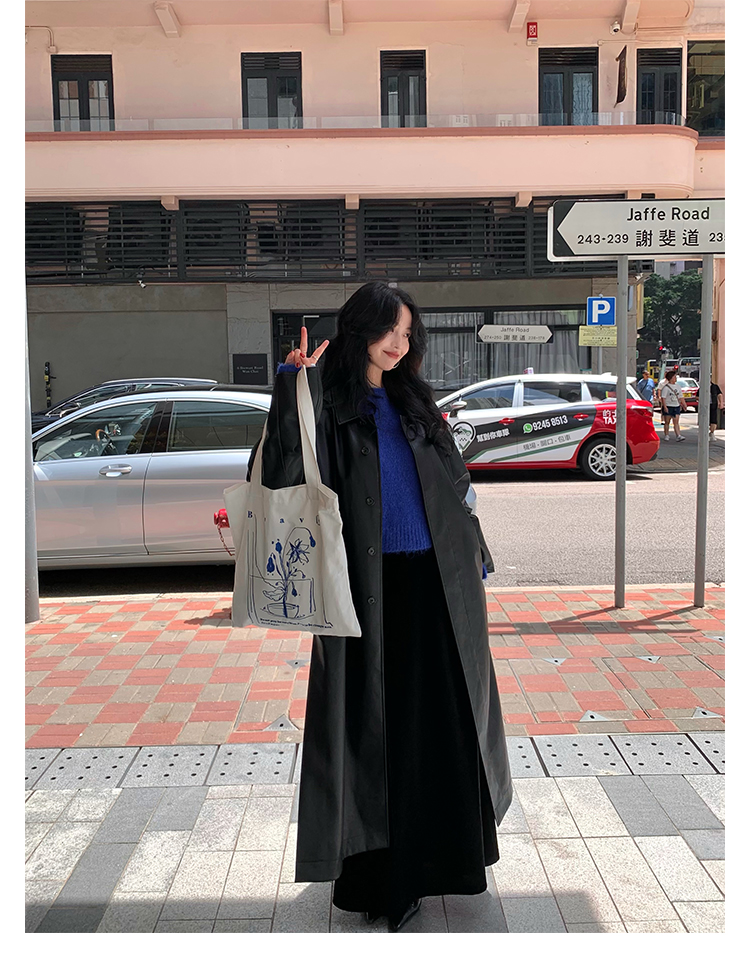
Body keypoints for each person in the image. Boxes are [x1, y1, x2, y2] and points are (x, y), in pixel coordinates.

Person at [246, 281, 512, 932]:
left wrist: (474, 549)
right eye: (389, 329)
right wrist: (291, 387)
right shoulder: (328, 402)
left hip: (438, 586)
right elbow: (281, 472)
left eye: (407, 332)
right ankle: (383, 878)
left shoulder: (413, 399)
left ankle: (442, 864)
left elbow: (455, 483)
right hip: (364, 592)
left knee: (438, 728)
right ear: (359, 328)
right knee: (374, 734)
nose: (399, 342)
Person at [658, 369, 688, 441]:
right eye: (674, 377)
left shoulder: (678, 386)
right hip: (668, 406)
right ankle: (666, 435)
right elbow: (663, 398)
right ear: (671, 378)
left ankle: (678, 435)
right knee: (667, 422)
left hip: (676, 406)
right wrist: (665, 407)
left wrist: (684, 404)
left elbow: (680, 396)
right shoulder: (666, 387)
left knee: (676, 421)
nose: (676, 378)